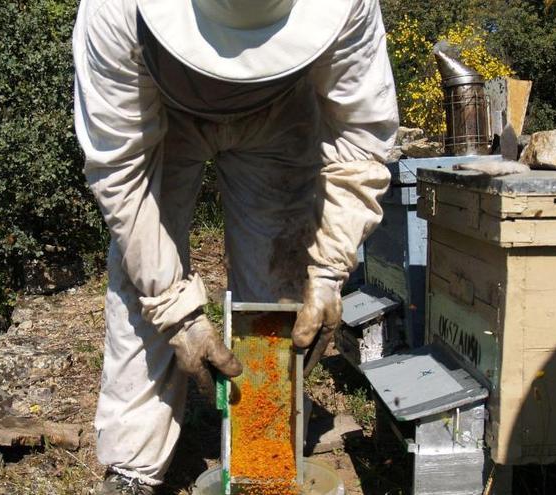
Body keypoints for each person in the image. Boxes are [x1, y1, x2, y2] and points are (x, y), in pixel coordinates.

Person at [72, 0, 398, 492]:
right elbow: (120, 174)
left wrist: (329, 269)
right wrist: (176, 309)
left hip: (281, 109)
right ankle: (132, 465)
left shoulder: (348, 6)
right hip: (160, 106)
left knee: (277, 281)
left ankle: (263, 442)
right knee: (142, 273)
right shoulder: (113, 11)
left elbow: (362, 138)